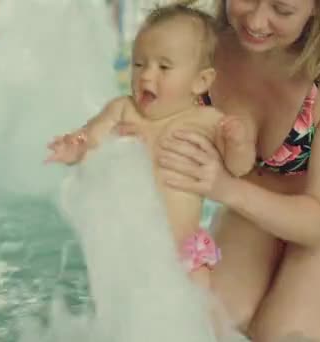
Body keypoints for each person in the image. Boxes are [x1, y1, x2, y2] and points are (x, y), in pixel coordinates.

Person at [114, 0, 320, 341]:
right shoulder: (202, 48)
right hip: (252, 202)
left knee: (283, 336)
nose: (256, 21)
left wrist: (223, 188)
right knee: (219, 325)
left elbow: (317, 222)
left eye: (281, 10)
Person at [45, 4, 256, 293]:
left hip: (184, 255)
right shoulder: (123, 110)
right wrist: (75, 146)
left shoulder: (206, 121)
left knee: (200, 306)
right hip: (132, 255)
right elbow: (91, 136)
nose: (146, 76)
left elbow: (239, 168)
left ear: (200, 81)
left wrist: (238, 142)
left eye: (163, 67)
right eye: (139, 64)